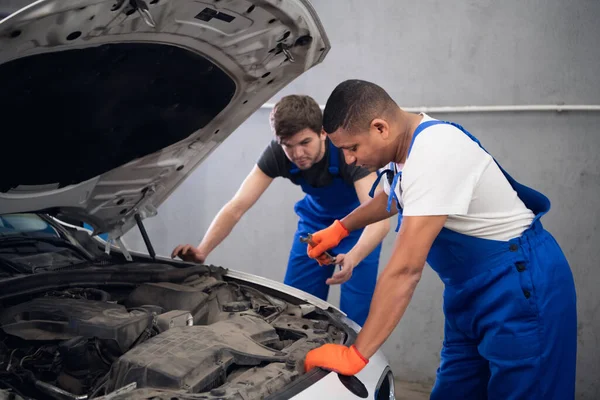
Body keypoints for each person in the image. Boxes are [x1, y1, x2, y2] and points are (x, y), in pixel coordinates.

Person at [302, 80, 577, 399]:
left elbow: (405, 271)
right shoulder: (404, 148)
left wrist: (357, 354)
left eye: (352, 148)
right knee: (454, 391)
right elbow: (391, 195)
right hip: (469, 293)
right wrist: (340, 228)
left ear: (380, 128)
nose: (348, 159)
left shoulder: (435, 152)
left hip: (520, 286)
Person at [171, 94, 390, 326]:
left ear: (323, 133)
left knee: (356, 315)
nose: (297, 154)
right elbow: (236, 207)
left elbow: (379, 217)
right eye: (288, 145)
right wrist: (203, 251)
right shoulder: (277, 154)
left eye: (305, 142)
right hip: (314, 226)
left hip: (358, 229)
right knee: (295, 307)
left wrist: (355, 255)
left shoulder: (346, 151)